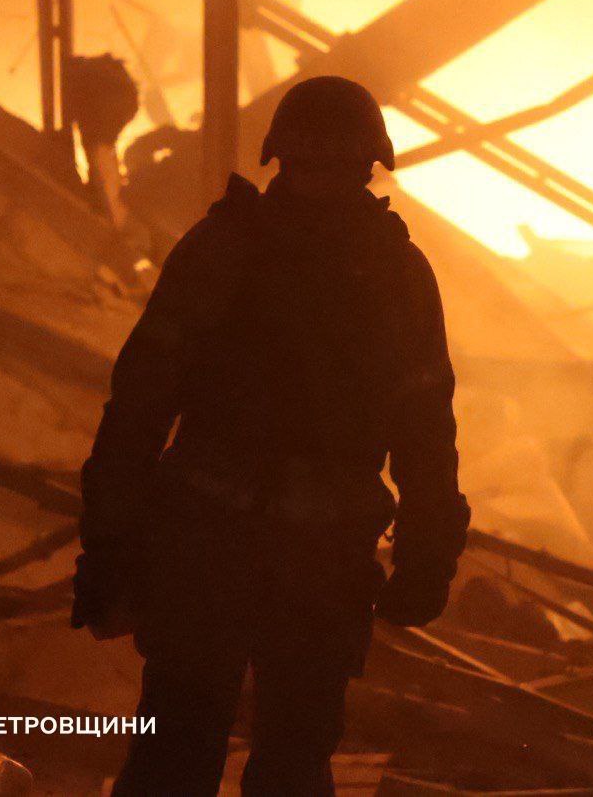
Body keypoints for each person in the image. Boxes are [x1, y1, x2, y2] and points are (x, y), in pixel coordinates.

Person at [73, 76, 470, 796]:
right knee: (223, 759)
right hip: (263, 562)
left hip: (249, 558)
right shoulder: (381, 274)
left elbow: (137, 410)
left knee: (219, 759)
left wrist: (109, 543)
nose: (320, 183)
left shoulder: (240, 252)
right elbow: (138, 407)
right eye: (313, 164)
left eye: (331, 165)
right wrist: (107, 542)